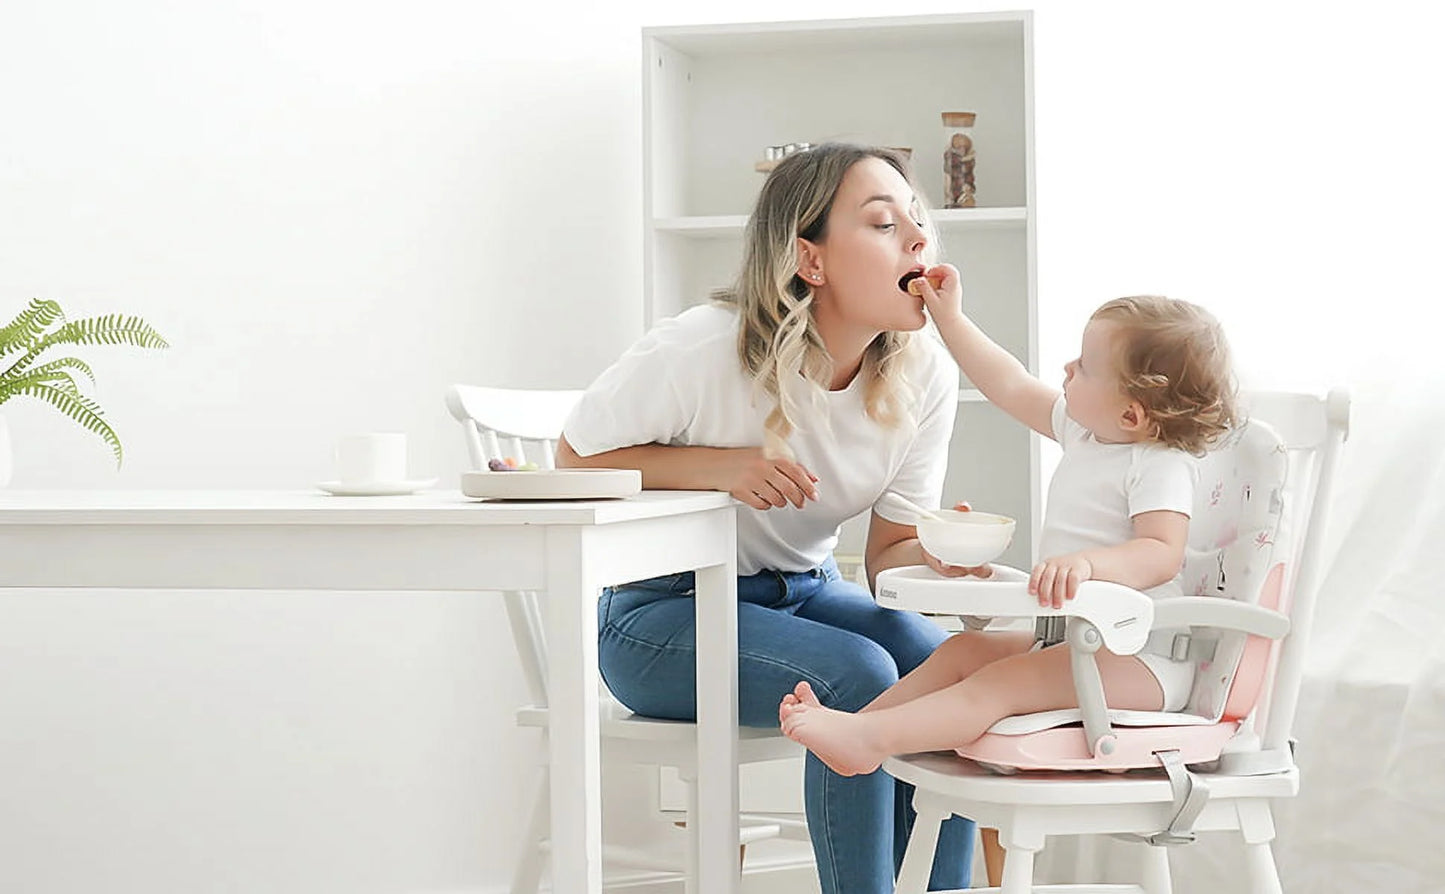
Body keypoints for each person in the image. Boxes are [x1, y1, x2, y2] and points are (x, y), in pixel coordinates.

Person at [556, 143, 981, 893]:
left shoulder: (924, 374)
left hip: (805, 592)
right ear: (810, 261)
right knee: (856, 674)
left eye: (918, 223)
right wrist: (719, 469)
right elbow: (572, 458)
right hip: (659, 614)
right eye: (883, 224)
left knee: (939, 663)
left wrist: (940, 558)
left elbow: (888, 557)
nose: (918, 241)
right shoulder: (701, 347)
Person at [778, 288, 1239, 780]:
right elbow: (1009, 384)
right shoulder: (1087, 434)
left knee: (1001, 682)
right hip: (1076, 642)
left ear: (1131, 415)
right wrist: (950, 318)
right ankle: (858, 730)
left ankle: (870, 740)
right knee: (962, 651)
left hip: (1139, 660)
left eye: (1083, 366)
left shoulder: (1158, 463)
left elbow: (1161, 552)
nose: (1067, 369)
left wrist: (1087, 566)